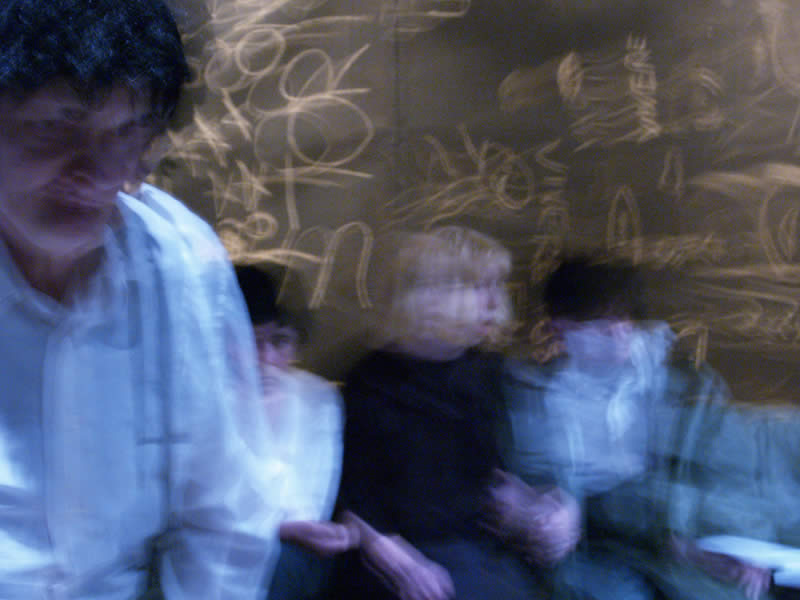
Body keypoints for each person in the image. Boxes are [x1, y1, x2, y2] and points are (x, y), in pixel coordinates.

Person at [0, 1, 279, 598]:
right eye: (56, 126)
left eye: (125, 133)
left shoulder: (177, 264)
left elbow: (226, 517)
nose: (97, 171)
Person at [504, 255, 773, 600]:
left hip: (684, 548)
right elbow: (523, 488)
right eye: (600, 324)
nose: (617, 333)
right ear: (560, 329)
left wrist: (721, 541)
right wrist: (540, 514)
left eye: (623, 319)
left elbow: (730, 479)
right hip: (593, 556)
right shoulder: (536, 392)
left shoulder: (689, 389)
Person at [334, 226, 580, 600]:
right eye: (480, 287)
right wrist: (404, 564)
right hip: (406, 557)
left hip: (484, 553)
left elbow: (520, 477)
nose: (495, 302)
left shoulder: (493, 372)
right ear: (431, 293)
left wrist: (556, 512)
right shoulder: (370, 381)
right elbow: (354, 502)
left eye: (497, 286)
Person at [235, 264, 353, 600]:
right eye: (251, 341)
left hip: (296, 554)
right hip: (222, 548)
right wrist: (280, 527)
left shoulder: (318, 399)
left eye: (280, 341)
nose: (265, 358)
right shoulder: (203, 399)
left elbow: (311, 501)